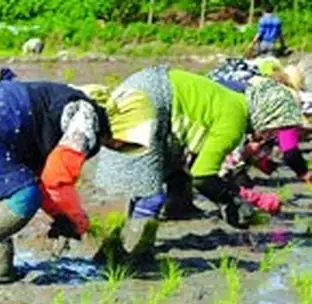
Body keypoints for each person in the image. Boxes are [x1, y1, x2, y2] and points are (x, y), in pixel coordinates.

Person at [93, 67, 302, 265]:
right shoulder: (234, 121)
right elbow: (202, 175)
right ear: (267, 114)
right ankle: (133, 257)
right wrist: (230, 200)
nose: (272, 135)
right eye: (274, 127)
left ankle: (120, 247)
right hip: (147, 102)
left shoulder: (235, 101)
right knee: (150, 194)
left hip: (145, 89)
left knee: (160, 175)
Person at [0, 69, 121, 290]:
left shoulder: (54, 104)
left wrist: (60, 216)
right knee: (25, 195)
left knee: (0, 197)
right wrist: (74, 220)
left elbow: (42, 179)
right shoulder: (86, 116)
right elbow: (55, 179)